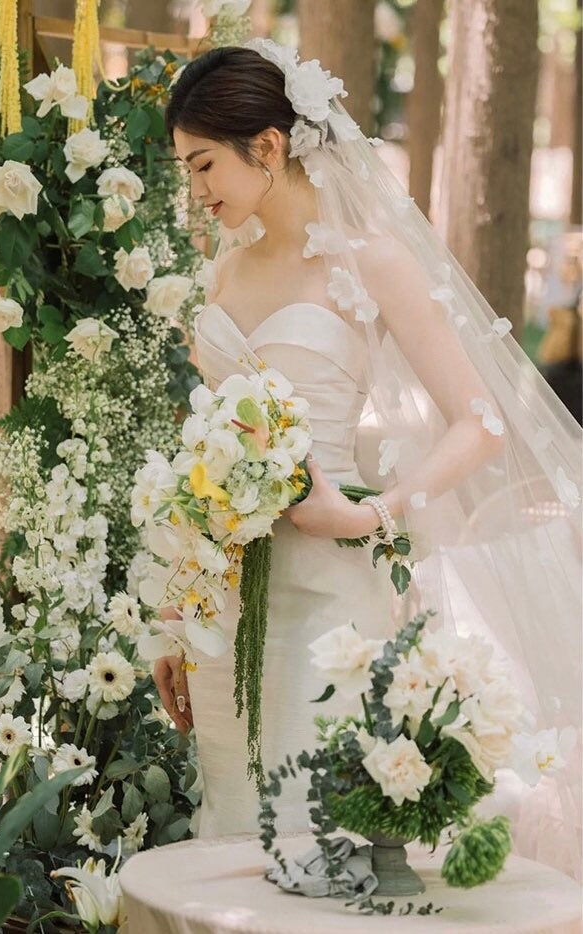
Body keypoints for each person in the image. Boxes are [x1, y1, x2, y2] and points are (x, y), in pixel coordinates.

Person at [150, 41, 582, 874]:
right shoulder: (221, 273)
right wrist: (176, 619)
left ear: (267, 147)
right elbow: (196, 455)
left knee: (315, 834)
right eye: (186, 171)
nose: (197, 192)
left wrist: (370, 513)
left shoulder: (369, 262)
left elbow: (479, 422)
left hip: (326, 595)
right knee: (230, 838)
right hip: (223, 604)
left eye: (204, 166)